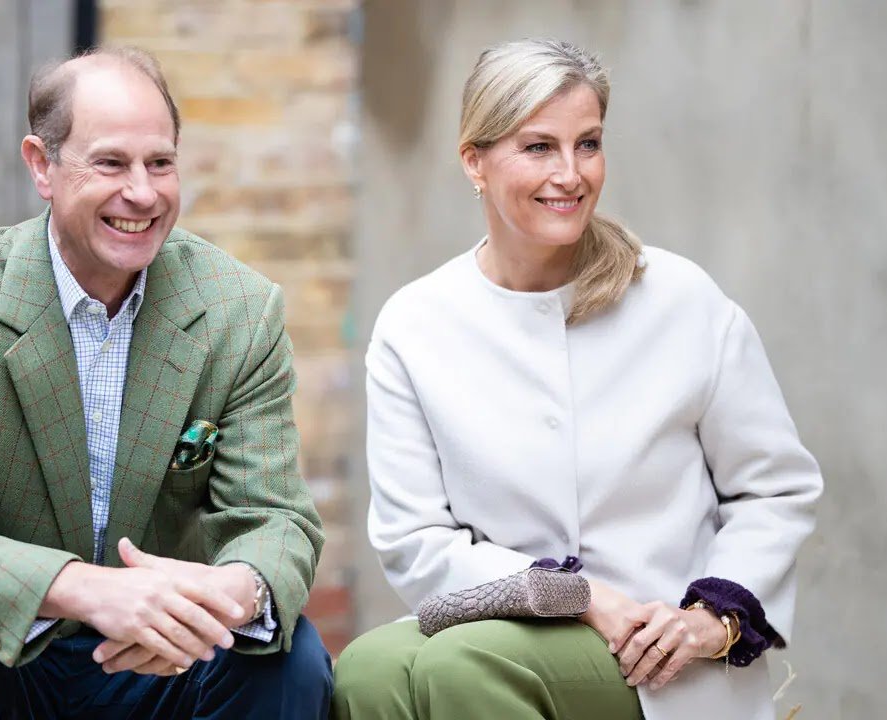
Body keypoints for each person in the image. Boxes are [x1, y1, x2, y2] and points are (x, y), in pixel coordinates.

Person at [0, 46, 331, 720]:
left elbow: (276, 517)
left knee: (287, 656)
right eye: (111, 163)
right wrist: (83, 588)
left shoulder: (240, 312)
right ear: (42, 165)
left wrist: (235, 593)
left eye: (160, 163)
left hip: (157, 663)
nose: (143, 193)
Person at [332, 39, 822, 720]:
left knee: (460, 664)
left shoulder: (682, 301)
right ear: (473, 160)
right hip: (510, 618)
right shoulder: (415, 324)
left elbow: (774, 487)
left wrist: (716, 616)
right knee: (368, 670)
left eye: (587, 144)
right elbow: (414, 539)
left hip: (656, 647)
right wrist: (577, 597)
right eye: (538, 147)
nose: (570, 174)